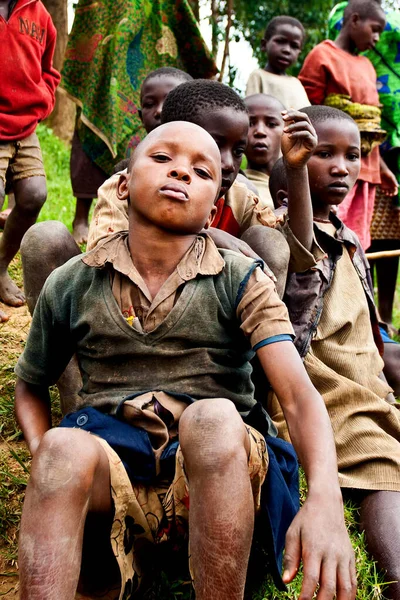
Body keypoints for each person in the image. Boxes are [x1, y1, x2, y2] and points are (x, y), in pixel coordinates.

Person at [15, 120, 356, 600]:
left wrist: (326, 497)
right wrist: (44, 462)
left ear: (214, 207)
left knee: (213, 418)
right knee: (61, 447)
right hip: (115, 476)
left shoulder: (239, 277)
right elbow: (30, 383)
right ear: (123, 185)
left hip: (219, 472)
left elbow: (298, 396)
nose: (180, 172)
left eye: (200, 171)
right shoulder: (73, 282)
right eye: (161, 159)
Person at [268, 105, 400, 599]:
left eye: (351, 155)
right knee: (382, 464)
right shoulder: (288, 231)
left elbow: (370, 329)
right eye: (325, 154)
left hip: (368, 385)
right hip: (329, 398)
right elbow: (300, 245)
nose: (343, 166)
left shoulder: (348, 241)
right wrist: (298, 166)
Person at [298, 0, 398, 251]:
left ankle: (351, 287)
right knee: (323, 233)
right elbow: (307, 112)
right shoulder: (322, 55)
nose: (376, 38)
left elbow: (368, 130)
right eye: (374, 29)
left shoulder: (367, 66)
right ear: (354, 20)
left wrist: (382, 168)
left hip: (364, 170)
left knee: (355, 242)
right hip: (331, 168)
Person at [70, 67, 193, 244]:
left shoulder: (210, 176)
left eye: (169, 103)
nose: (159, 111)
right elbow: (105, 242)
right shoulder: (125, 175)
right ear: (141, 116)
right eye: (149, 105)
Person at [0, 0, 60, 322]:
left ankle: (0, 266)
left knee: (34, 194)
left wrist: (44, 98)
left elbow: (49, 70)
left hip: (24, 125)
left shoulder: (39, 14)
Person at [246, 16, 310, 110]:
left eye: (294, 46)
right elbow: (250, 111)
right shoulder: (258, 76)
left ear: (299, 53)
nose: (287, 50)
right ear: (264, 45)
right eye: (280, 41)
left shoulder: (296, 83)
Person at [244, 94, 285, 209]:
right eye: (250, 124)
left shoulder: (300, 189)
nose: (260, 131)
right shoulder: (232, 188)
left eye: (271, 124)